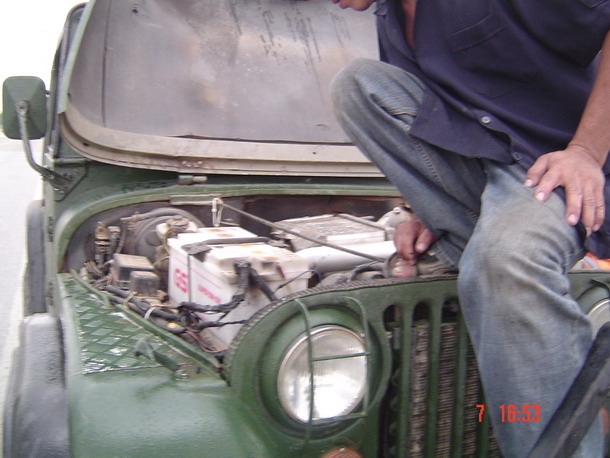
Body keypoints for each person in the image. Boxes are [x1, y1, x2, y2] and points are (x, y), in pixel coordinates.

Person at [329, 0, 610, 456]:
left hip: (553, 172)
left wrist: (586, 152)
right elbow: (436, 121)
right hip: (488, 171)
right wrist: (420, 207)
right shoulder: (391, 18)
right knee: (358, 84)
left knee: (506, 262)